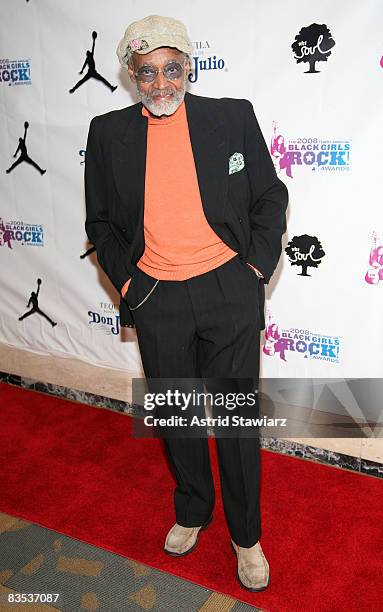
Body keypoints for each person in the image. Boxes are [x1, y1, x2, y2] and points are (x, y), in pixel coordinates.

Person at [84, 14, 289, 592]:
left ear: (188, 66)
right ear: (131, 75)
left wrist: (253, 268)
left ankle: (246, 537)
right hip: (156, 294)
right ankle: (194, 508)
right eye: (146, 72)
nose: (160, 83)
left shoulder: (232, 116)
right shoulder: (107, 132)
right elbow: (100, 221)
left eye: (171, 68)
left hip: (228, 287)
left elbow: (271, 195)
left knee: (234, 419)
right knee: (176, 415)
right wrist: (129, 287)